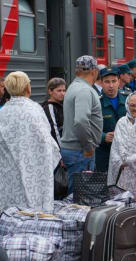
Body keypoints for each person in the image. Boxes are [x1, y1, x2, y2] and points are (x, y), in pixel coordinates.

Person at [0, 71, 60, 211]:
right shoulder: (34, 109)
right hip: (33, 172)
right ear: (27, 88)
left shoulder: (3, 111)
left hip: (7, 171)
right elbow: (46, 140)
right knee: (32, 206)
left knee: (10, 206)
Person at [61, 56, 102, 194]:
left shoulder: (73, 86)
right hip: (80, 151)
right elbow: (80, 121)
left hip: (74, 150)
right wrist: (88, 146)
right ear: (94, 71)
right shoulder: (85, 90)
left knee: (74, 195)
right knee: (81, 197)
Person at [95, 66, 127, 172]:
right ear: (101, 83)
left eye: (114, 81)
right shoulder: (96, 102)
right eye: (107, 82)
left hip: (125, 152)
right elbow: (89, 127)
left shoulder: (128, 100)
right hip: (104, 154)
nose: (111, 85)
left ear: (119, 81)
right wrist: (103, 136)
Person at [42, 77, 66, 147]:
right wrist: (60, 149)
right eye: (59, 91)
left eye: (64, 90)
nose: (62, 93)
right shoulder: (49, 107)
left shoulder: (61, 104)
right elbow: (53, 130)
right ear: (50, 91)